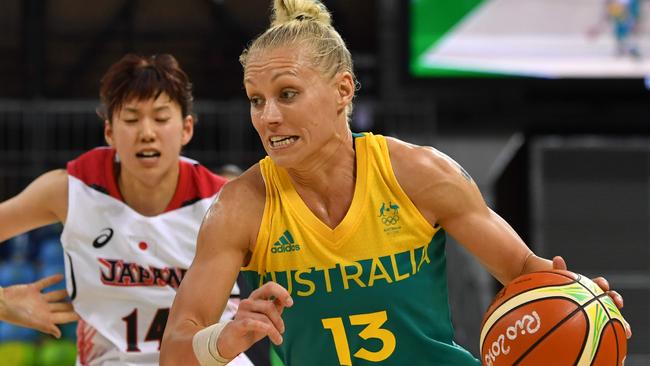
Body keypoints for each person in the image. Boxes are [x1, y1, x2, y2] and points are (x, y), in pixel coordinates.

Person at [160, 1, 632, 365]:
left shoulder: (417, 173)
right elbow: (176, 346)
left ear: (343, 90)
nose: (269, 117)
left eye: (287, 95)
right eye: (256, 100)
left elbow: (526, 272)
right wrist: (223, 340)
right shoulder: (242, 205)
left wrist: (584, 307)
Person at [0, 54, 252, 365]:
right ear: (109, 132)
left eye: (160, 118)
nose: (147, 132)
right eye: (131, 119)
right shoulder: (70, 191)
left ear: (186, 129)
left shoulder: (225, 201)